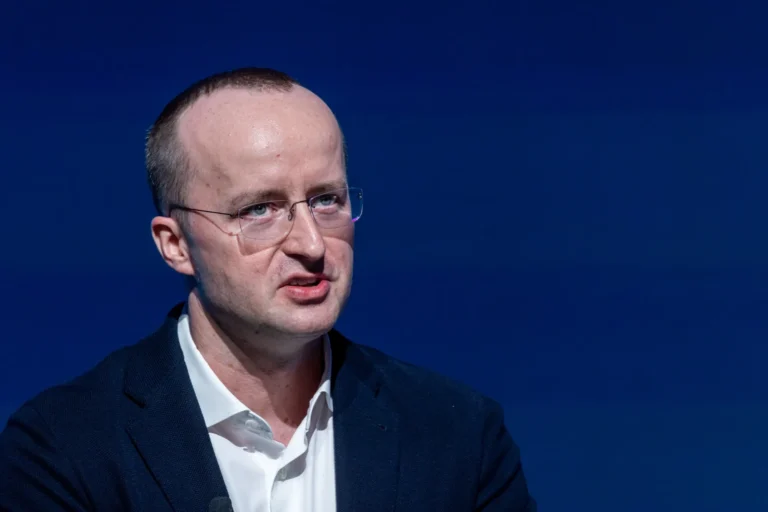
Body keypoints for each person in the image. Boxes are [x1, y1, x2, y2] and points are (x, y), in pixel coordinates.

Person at [0, 68, 536, 511]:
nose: (311, 243)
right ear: (175, 244)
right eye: (260, 210)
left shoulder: (457, 436)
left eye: (326, 200)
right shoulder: (64, 448)